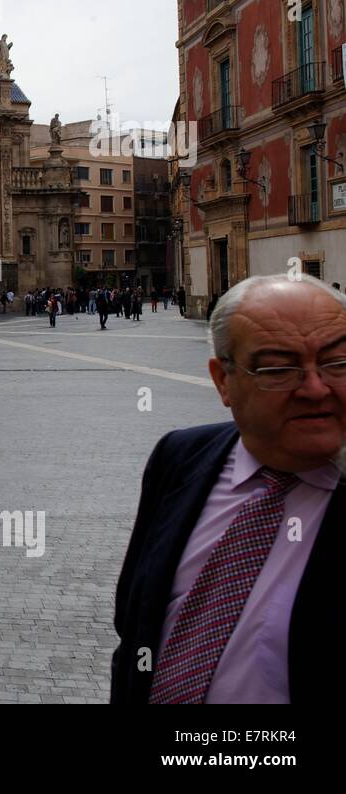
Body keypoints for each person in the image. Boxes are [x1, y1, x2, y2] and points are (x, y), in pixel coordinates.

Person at [112, 274, 345, 704]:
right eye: (278, 368)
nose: (316, 388)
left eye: (338, 362)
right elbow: (135, 622)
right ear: (223, 382)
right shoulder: (180, 457)